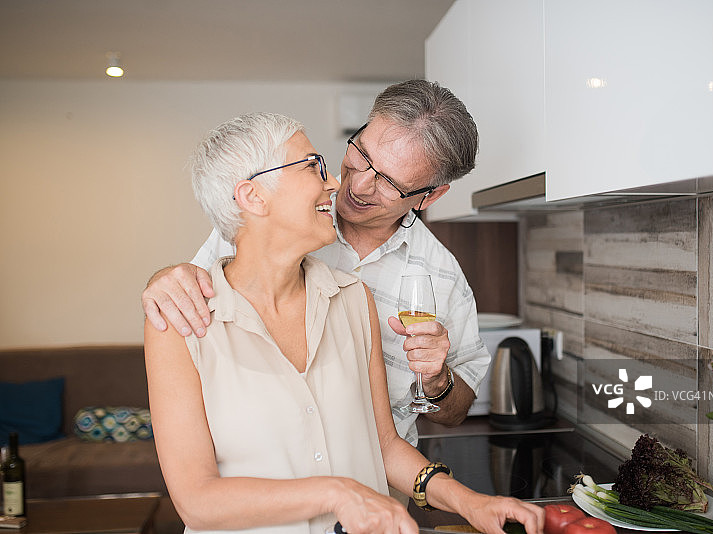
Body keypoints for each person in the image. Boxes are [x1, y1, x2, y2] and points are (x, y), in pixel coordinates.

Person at [144, 111, 544, 533]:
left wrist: (471, 503)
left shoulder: (355, 298)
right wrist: (338, 493)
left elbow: (385, 445)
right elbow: (196, 501)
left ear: (427, 196)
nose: (341, 184)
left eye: (389, 181)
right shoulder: (180, 317)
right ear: (254, 197)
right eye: (313, 166)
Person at [142, 80, 489, 446]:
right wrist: (167, 277)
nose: (357, 185)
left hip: (381, 476)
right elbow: (197, 285)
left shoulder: (444, 276)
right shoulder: (277, 219)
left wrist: (438, 382)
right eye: (362, 155)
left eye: (389, 182)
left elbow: (457, 409)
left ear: (430, 196)